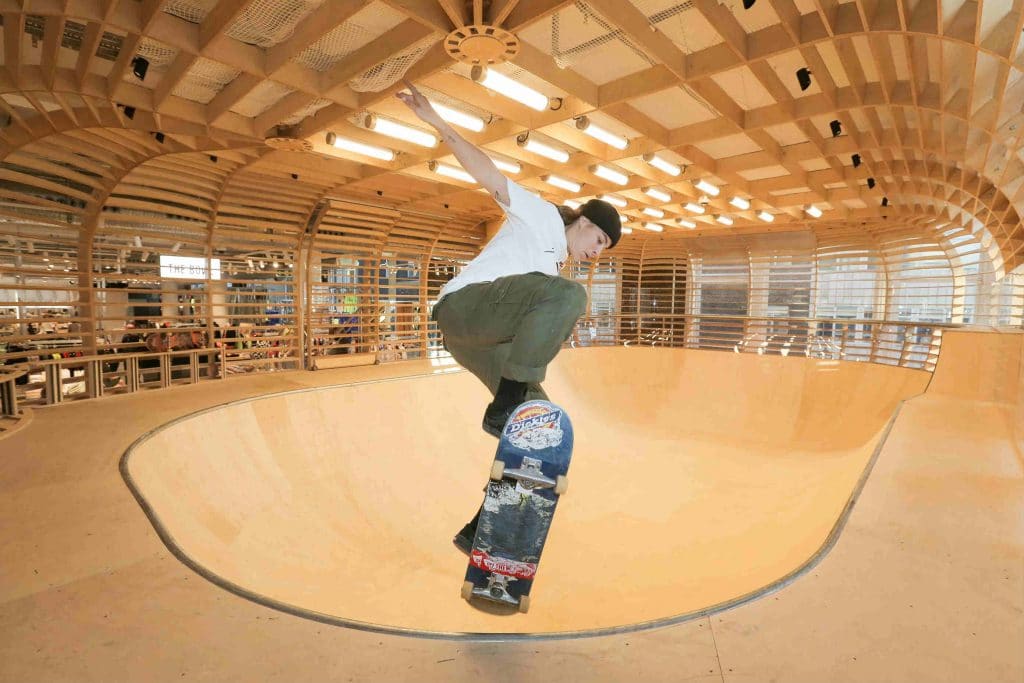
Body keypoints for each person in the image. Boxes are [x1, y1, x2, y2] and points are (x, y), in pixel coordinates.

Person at [397, 80, 622, 553]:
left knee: (541, 430)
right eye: (598, 242)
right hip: (465, 308)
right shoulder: (539, 216)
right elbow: (489, 175)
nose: (595, 253)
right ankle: (507, 401)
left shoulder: (554, 266)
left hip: (484, 343)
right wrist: (437, 122)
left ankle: (484, 526)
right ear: (585, 222)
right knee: (570, 298)